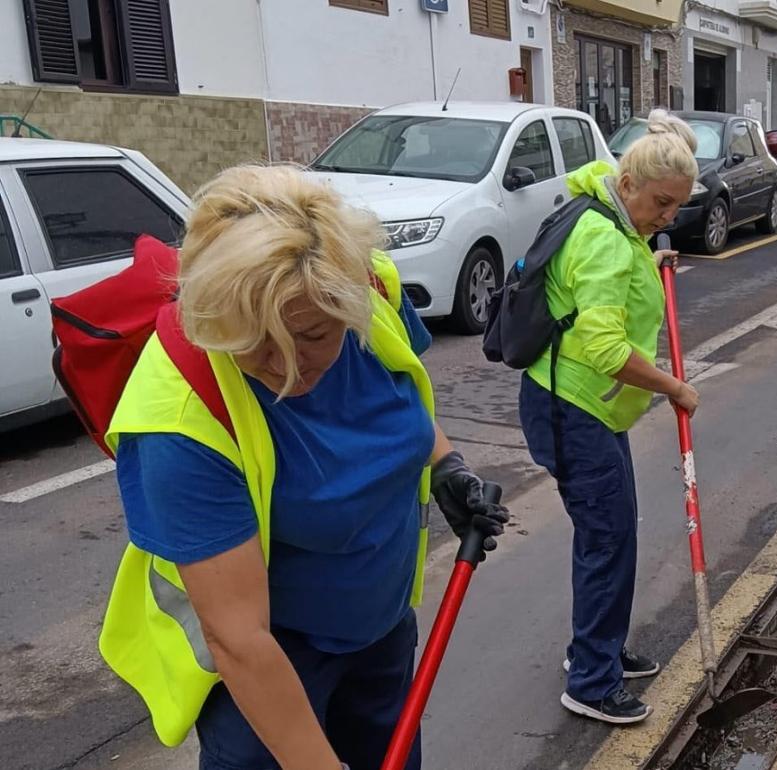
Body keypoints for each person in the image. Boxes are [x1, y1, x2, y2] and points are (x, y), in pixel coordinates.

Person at [100, 165, 508, 770]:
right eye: (250, 339)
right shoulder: (175, 421)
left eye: (311, 335)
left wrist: (447, 464)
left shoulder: (368, 295)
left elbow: (399, 399)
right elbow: (238, 639)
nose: (284, 365)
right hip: (269, 663)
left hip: (382, 627)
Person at [518, 110, 699, 725]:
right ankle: (592, 681)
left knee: (613, 534)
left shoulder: (619, 223)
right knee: (608, 537)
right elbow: (603, 348)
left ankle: (594, 651)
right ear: (627, 186)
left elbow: (620, 281)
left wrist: (651, 253)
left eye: (676, 208)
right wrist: (674, 386)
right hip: (573, 407)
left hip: (591, 409)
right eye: (661, 204)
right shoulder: (602, 236)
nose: (667, 218)